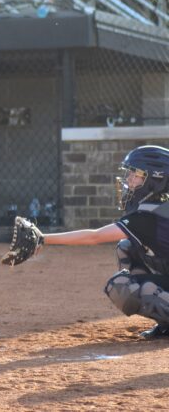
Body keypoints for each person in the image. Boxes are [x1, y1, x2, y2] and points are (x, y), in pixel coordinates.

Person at [36, 145, 169, 338]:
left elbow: (95, 236)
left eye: (137, 175)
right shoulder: (156, 208)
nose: (129, 179)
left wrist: (43, 238)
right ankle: (166, 324)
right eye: (130, 173)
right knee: (127, 247)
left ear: (155, 181)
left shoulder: (148, 217)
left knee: (120, 286)